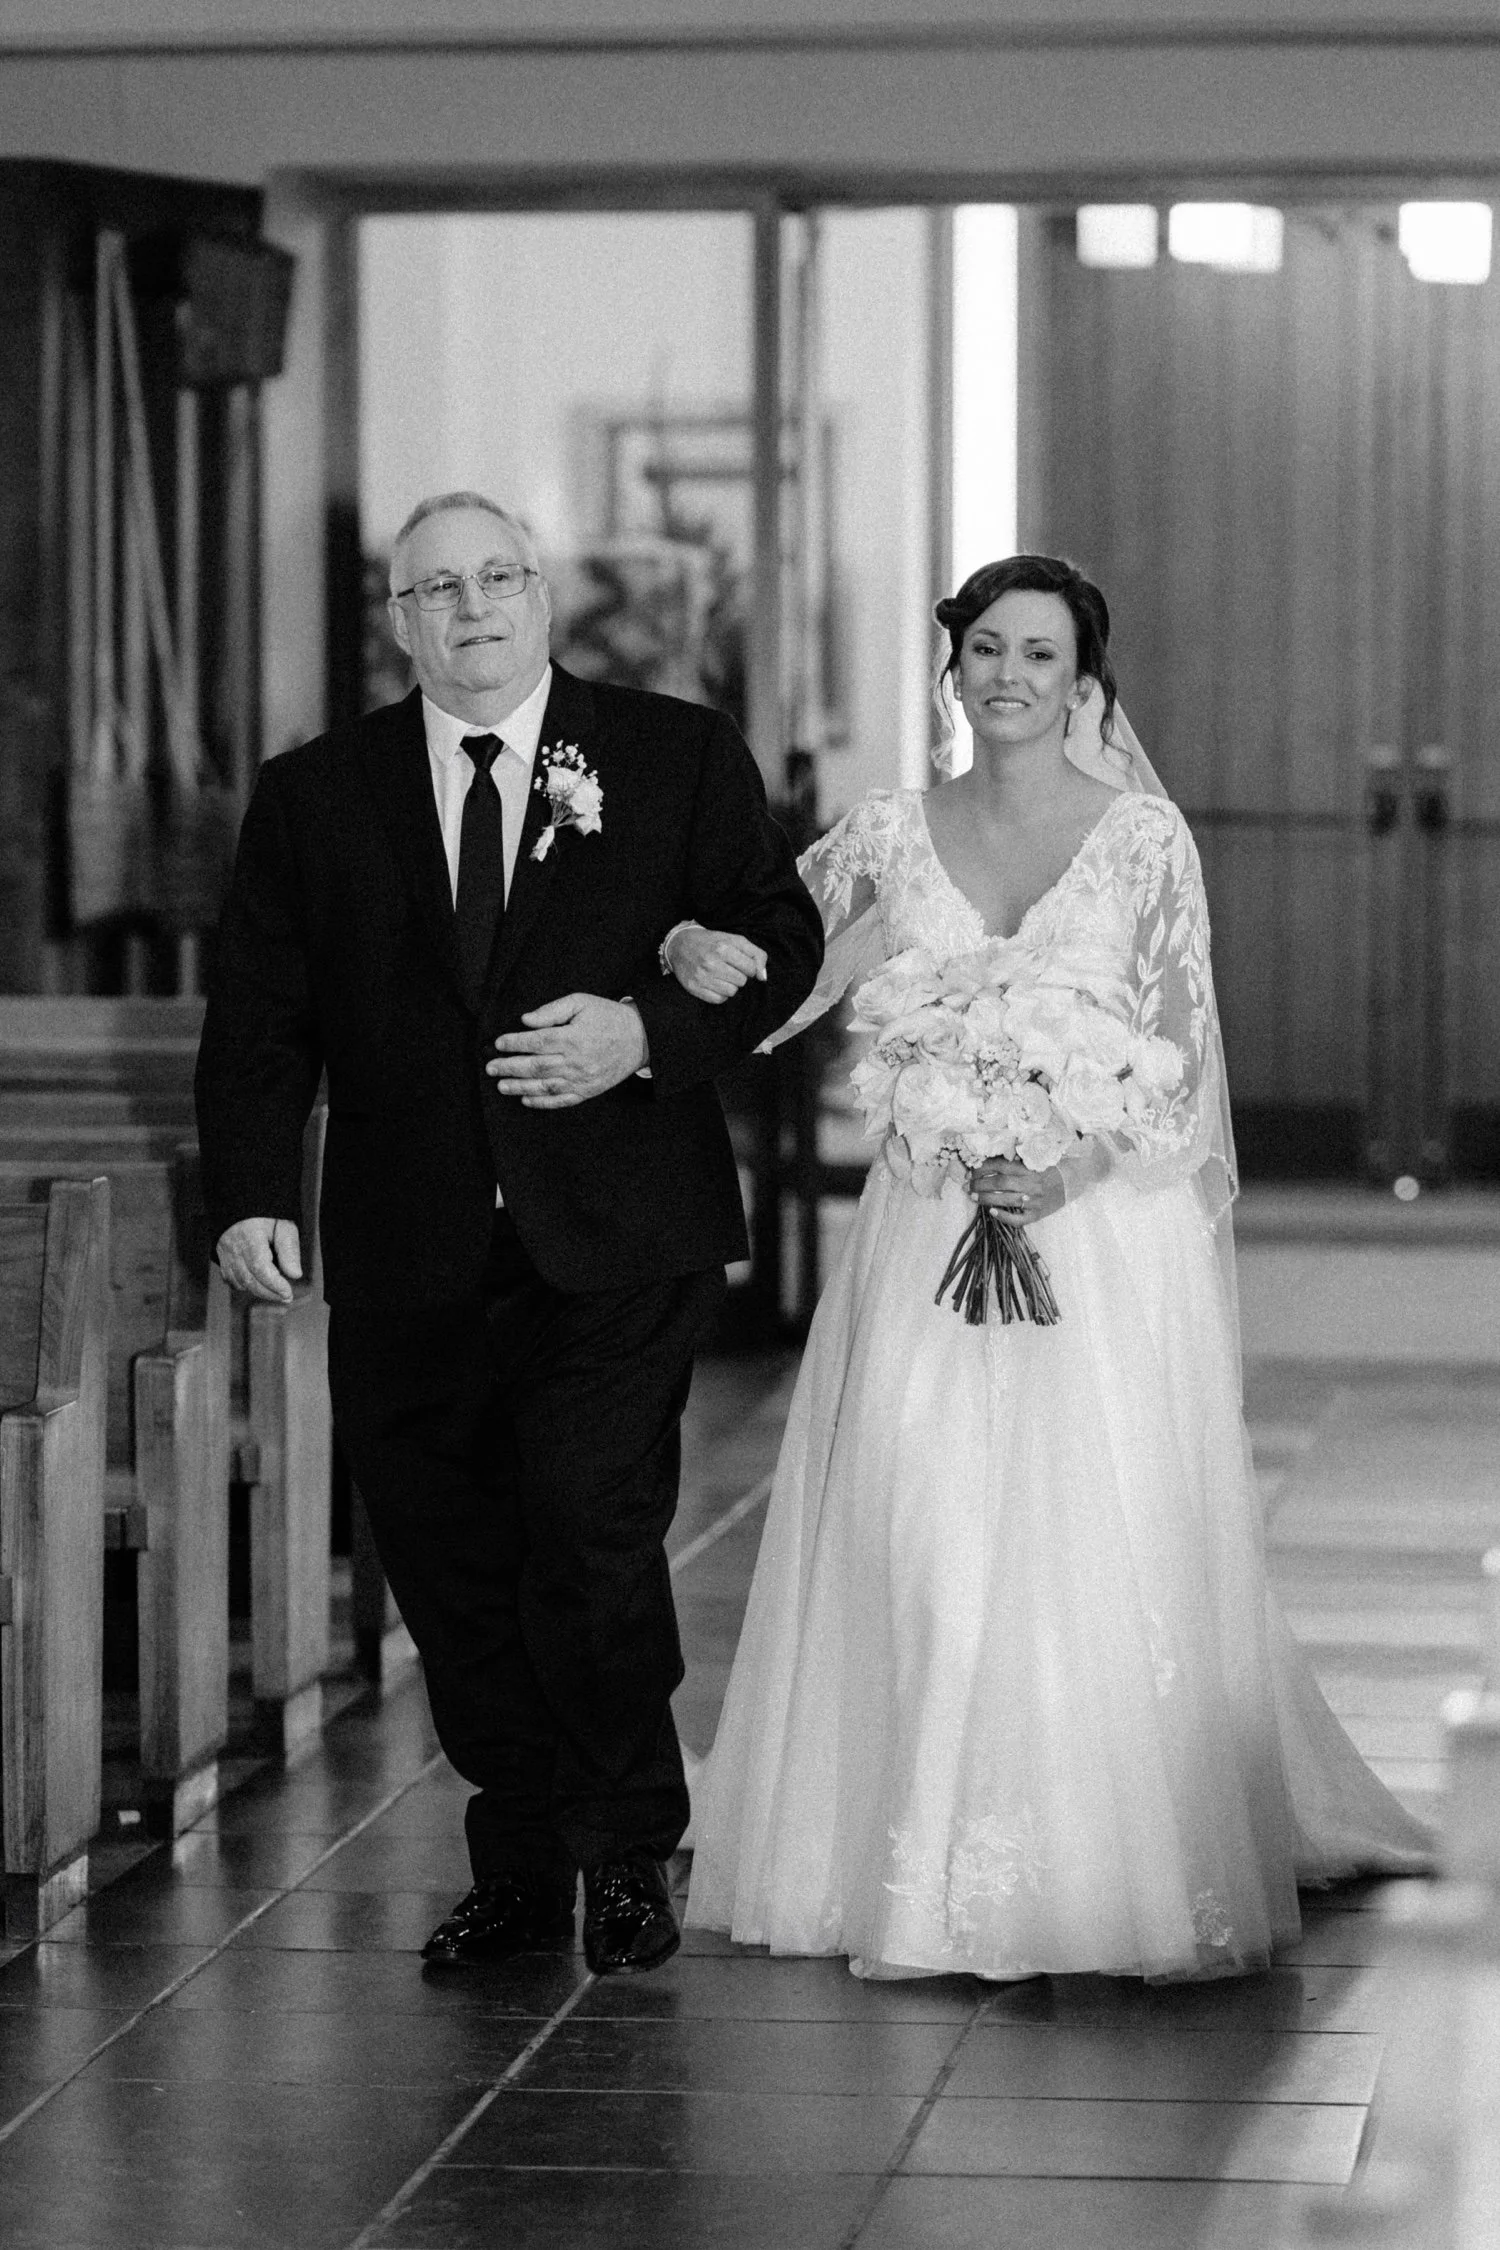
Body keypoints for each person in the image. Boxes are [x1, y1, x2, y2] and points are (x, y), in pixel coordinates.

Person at [673, 552, 1430, 1983]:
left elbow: (1182, 1058)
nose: (1009, 676)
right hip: (926, 1229)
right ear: (952, 667)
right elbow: (782, 981)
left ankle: (1094, 1849)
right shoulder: (886, 833)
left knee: (1088, 1546)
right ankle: (909, 1844)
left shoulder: (1142, 841)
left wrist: (1065, 1162)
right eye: (987, 649)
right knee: (920, 1523)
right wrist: (688, 949)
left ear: (1086, 683)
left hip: (1096, 1230)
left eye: (1040, 655)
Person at [195, 491, 823, 1976]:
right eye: (437, 589)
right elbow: (262, 1015)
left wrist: (647, 1034)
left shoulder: (672, 755)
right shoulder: (316, 793)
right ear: (399, 622)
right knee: (453, 1560)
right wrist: (250, 1190)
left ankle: (626, 1848)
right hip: (409, 1241)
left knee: (589, 1531)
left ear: (540, 594)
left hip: (617, 1227)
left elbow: (782, 941)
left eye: (496, 578)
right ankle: (527, 1861)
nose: (471, 607)